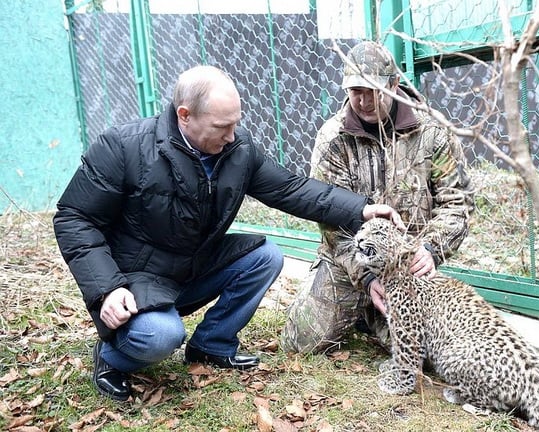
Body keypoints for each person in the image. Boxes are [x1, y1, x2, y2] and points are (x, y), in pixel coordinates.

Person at [53, 65, 404, 402]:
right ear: (185, 115)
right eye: (222, 126)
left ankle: (211, 345)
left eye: (236, 124)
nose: (232, 135)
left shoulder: (237, 149)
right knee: (161, 336)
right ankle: (112, 359)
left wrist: (360, 209)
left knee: (265, 256)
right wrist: (107, 289)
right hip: (135, 279)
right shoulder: (124, 147)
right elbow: (74, 218)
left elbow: (290, 190)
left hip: (193, 264)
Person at [280, 40, 474, 354]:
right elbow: (329, 220)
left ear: (394, 84)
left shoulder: (432, 131)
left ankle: (373, 319)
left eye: (373, 90)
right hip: (349, 262)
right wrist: (368, 278)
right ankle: (361, 308)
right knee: (299, 345)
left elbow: (458, 201)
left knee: (429, 352)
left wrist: (432, 249)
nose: (363, 100)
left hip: (407, 265)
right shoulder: (333, 138)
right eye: (355, 91)